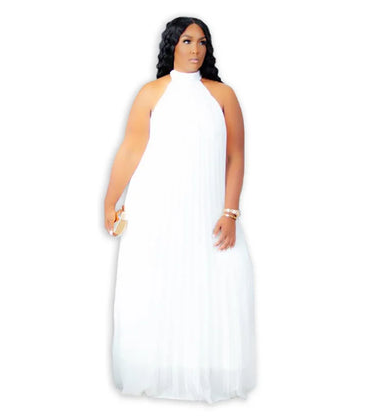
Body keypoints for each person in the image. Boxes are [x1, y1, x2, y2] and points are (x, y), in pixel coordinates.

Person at [104, 16, 257, 404]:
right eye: (187, 41)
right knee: (154, 285)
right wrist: (110, 200)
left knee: (215, 283)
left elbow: (236, 156)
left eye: (202, 42)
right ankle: (155, 369)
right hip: (156, 209)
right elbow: (131, 149)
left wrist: (230, 212)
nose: (195, 49)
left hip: (208, 211)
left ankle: (204, 371)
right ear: (171, 44)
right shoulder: (151, 93)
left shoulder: (222, 95)